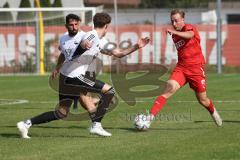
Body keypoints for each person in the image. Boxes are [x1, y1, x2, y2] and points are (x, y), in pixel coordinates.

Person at [17, 13, 150, 138]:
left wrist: (137, 46)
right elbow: (82, 44)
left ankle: (26, 124)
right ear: (106, 26)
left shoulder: (100, 40)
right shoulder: (90, 36)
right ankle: (96, 125)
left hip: (65, 77)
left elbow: (118, 53)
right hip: (75, 77)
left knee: (62, 113)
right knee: (109, 91)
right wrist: (83, 46)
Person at [146, 9, 222, 127]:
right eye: (172, 21)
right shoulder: (175, 35)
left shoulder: (189, 28)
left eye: (176, 21)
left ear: (183, 20)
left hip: (196, 69)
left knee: (203, 100)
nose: (174, 24)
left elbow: (189, 35)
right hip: (181, 68)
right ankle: (148, 119)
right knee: (169, 88)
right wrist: (174, 33)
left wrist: (174, 32)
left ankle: (213, 112)